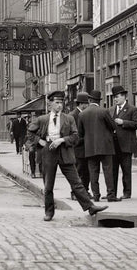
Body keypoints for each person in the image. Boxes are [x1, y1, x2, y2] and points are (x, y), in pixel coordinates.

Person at [27, 91, 109, 222]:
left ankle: (90, 207)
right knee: (48, 185)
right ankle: (49, 212)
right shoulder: (42, 119)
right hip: (48, 152)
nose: (59, 105)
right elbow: (30, 132)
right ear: (50, 103)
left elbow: (76, 137)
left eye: (61, 103)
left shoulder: (69, 119)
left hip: (65, 152)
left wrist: (62, 140)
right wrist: (40, 141)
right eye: (57, 102)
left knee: (76, 183)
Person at [78, 89, 116, 203]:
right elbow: (113, 126)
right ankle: (111, 195)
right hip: (106, 146)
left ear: (89, 100)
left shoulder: (82, 114)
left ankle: (96, 195)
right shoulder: (104, 111)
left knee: (93, 172)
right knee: (108, 171)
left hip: (90, 147)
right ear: (99, 101)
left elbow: (80, 133)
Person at [108, 85, 137, 200]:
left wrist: (123, 122)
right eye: (114, 97)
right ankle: (112, 193)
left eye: (117, 97)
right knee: (113, 170)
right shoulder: (111, 110)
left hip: (126, 144)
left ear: (124, 97)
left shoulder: (132, 109)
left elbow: (136, 124)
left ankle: (127, 192)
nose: (115, 99)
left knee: (126, 170)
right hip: (113, 145)